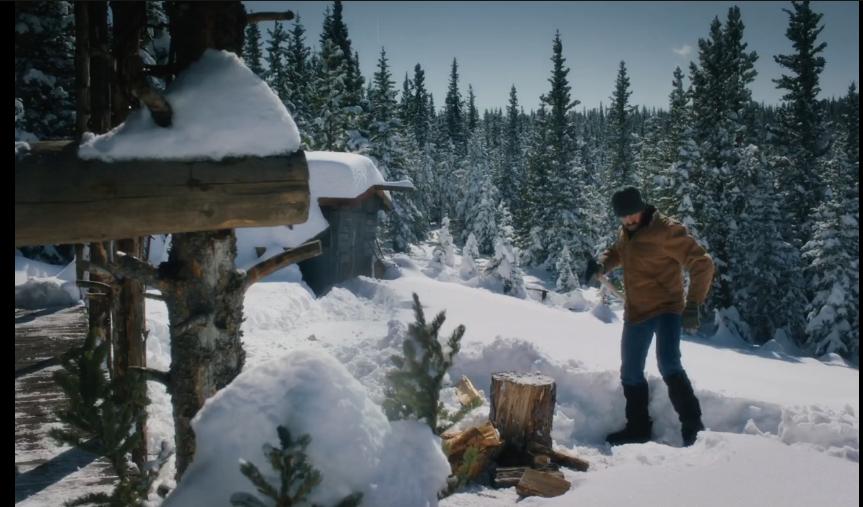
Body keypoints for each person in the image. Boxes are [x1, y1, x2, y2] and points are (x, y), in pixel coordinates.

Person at [582, 186, 715, 447]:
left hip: (667, 309)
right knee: (630, 371)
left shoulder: (666, 231)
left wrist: (693, 304)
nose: (630, 220)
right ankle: (638, 428)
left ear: (643, 207)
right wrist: (602, 264)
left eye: (634, 214)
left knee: (669, 364)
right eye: (624, 217)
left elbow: (703, 263)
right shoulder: (627, 232)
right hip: (637, 311)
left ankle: (693, 428)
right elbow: (620, 251)